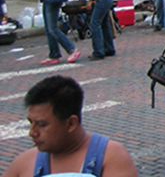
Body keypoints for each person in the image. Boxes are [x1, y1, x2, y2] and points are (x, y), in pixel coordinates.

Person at [2, 75, 137, 177]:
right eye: (31, 123)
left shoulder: (112, 157)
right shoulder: (24, 163)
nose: (32, 132)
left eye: (42, 125)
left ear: (71, 123)